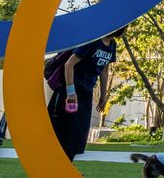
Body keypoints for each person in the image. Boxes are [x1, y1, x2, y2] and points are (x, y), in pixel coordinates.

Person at [48, 29, 119, 161]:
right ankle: (55, 163)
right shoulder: (93, 41)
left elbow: (104, 70)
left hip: (86, 92)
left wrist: (103, 96)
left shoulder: (112, 45)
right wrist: (71, 92)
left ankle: (67, 164)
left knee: (78, 133)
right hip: (70, 91)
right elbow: (69, 64)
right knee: (63, 129)